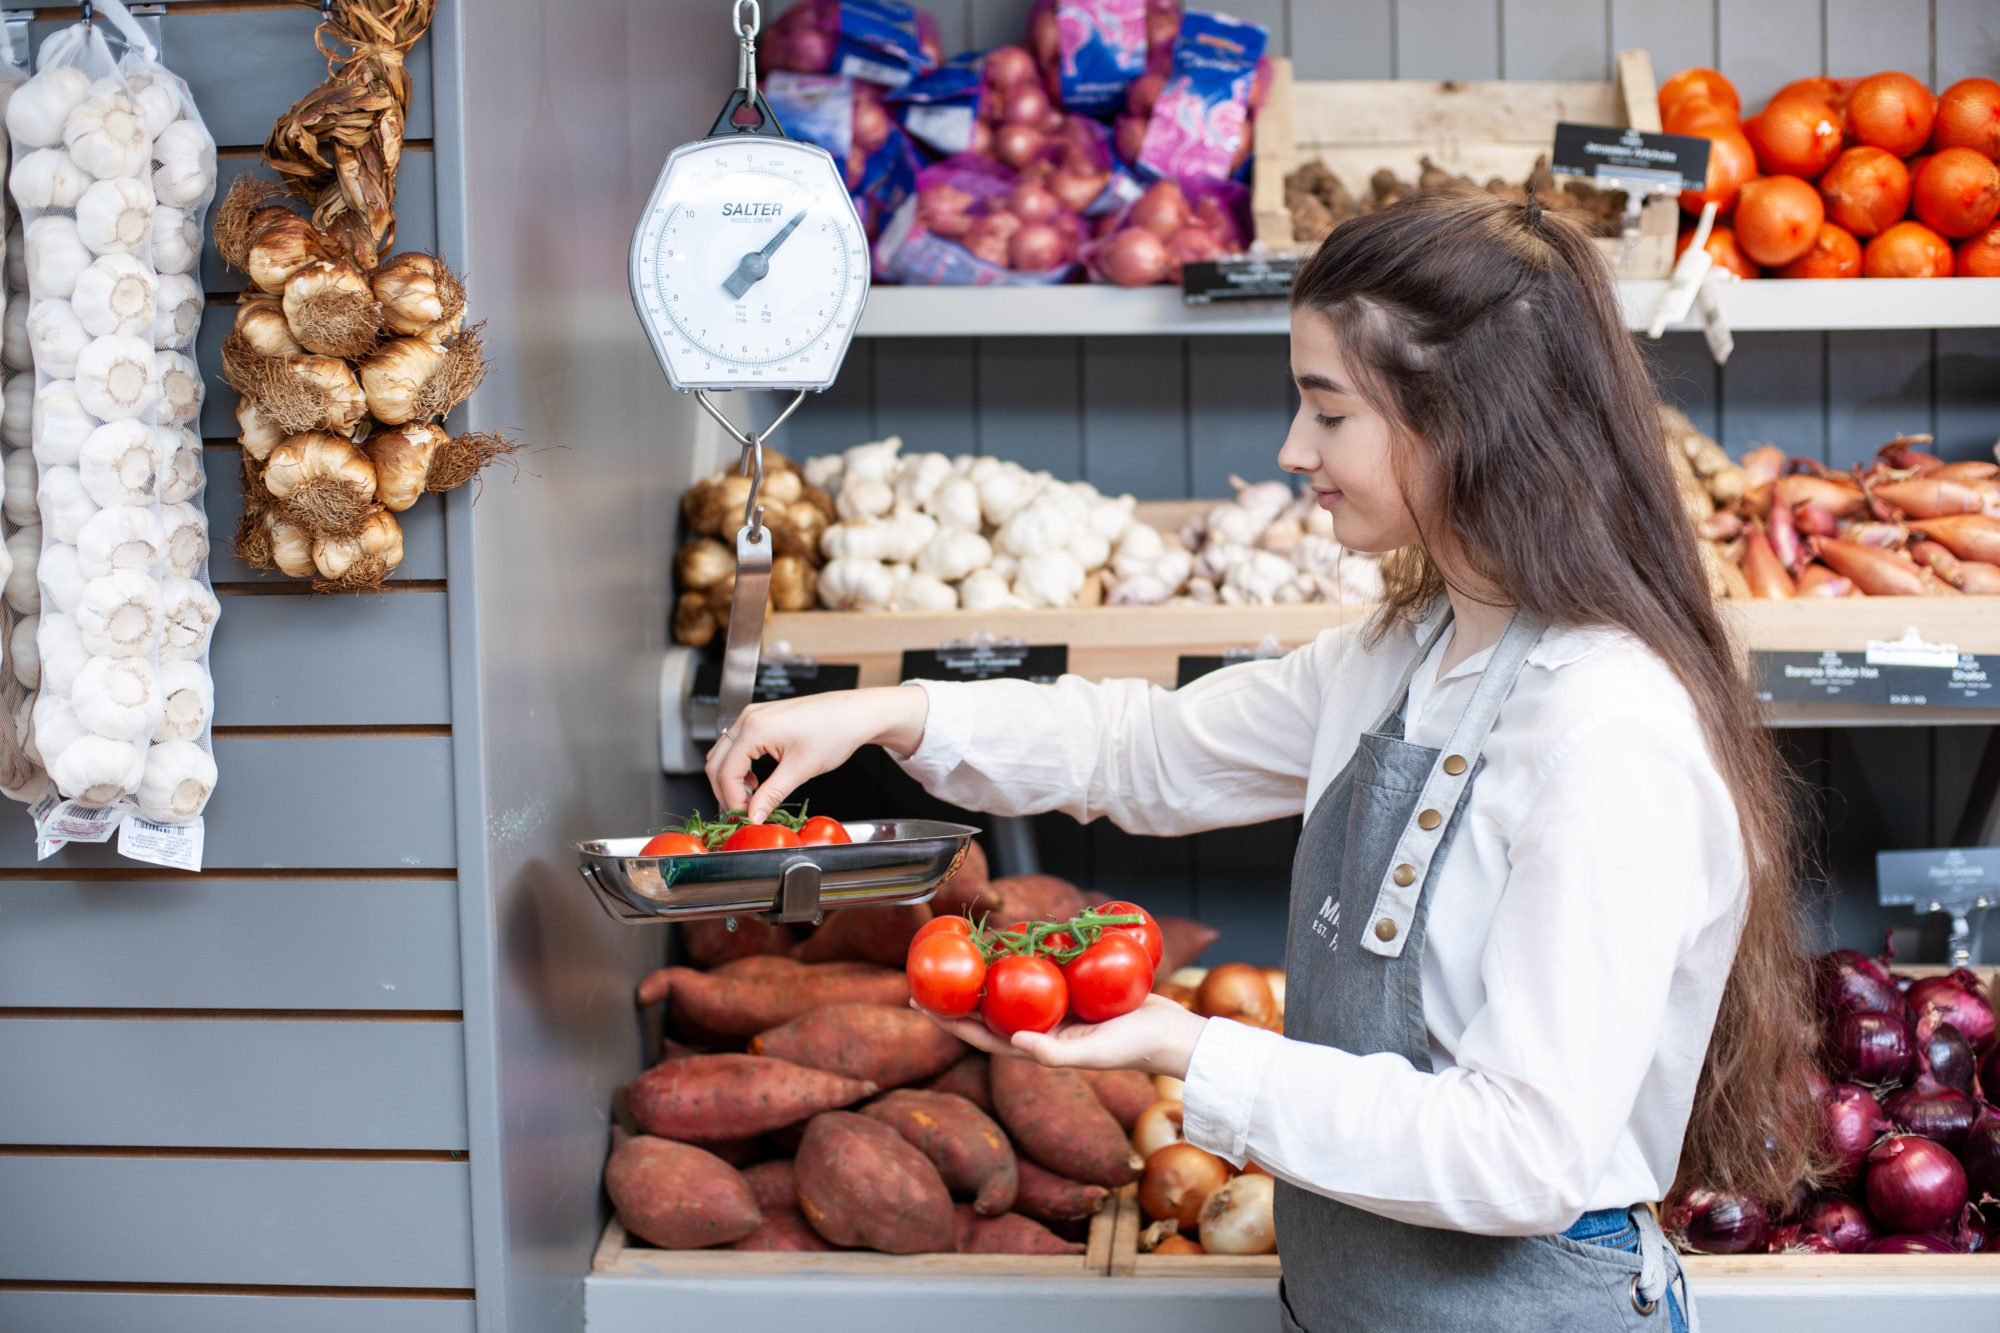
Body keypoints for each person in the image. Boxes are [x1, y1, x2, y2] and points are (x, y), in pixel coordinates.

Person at [706, 190, 1823, 1332]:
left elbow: (1522, 1156)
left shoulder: (1606, 727)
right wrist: (890, 713)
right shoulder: (1406, 651)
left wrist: (1190, 1049)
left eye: (1326, 412)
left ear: (1465, 419)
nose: (1293, 452)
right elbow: (1144, 750)